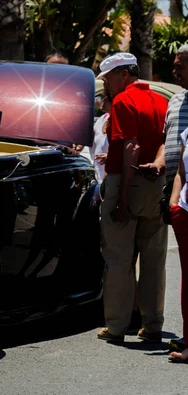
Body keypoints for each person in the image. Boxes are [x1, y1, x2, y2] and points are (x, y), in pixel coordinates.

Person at [96, 52, 168, 343]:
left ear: (124, 74)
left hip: (127, 180)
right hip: (157, 182)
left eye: (109, 77)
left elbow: (131, 147)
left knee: (118, 259)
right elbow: (166, 141)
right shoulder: (162, 101)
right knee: (154, 260)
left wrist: (123, 195)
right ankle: (152, 325)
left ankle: (116, 327)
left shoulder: (123, 101)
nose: (107, 84)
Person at [163, 44, 188, 354]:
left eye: (180, 64)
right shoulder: (179, 101)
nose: (174, 70)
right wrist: (173, 200)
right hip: (183, 206)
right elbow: (182, 157)